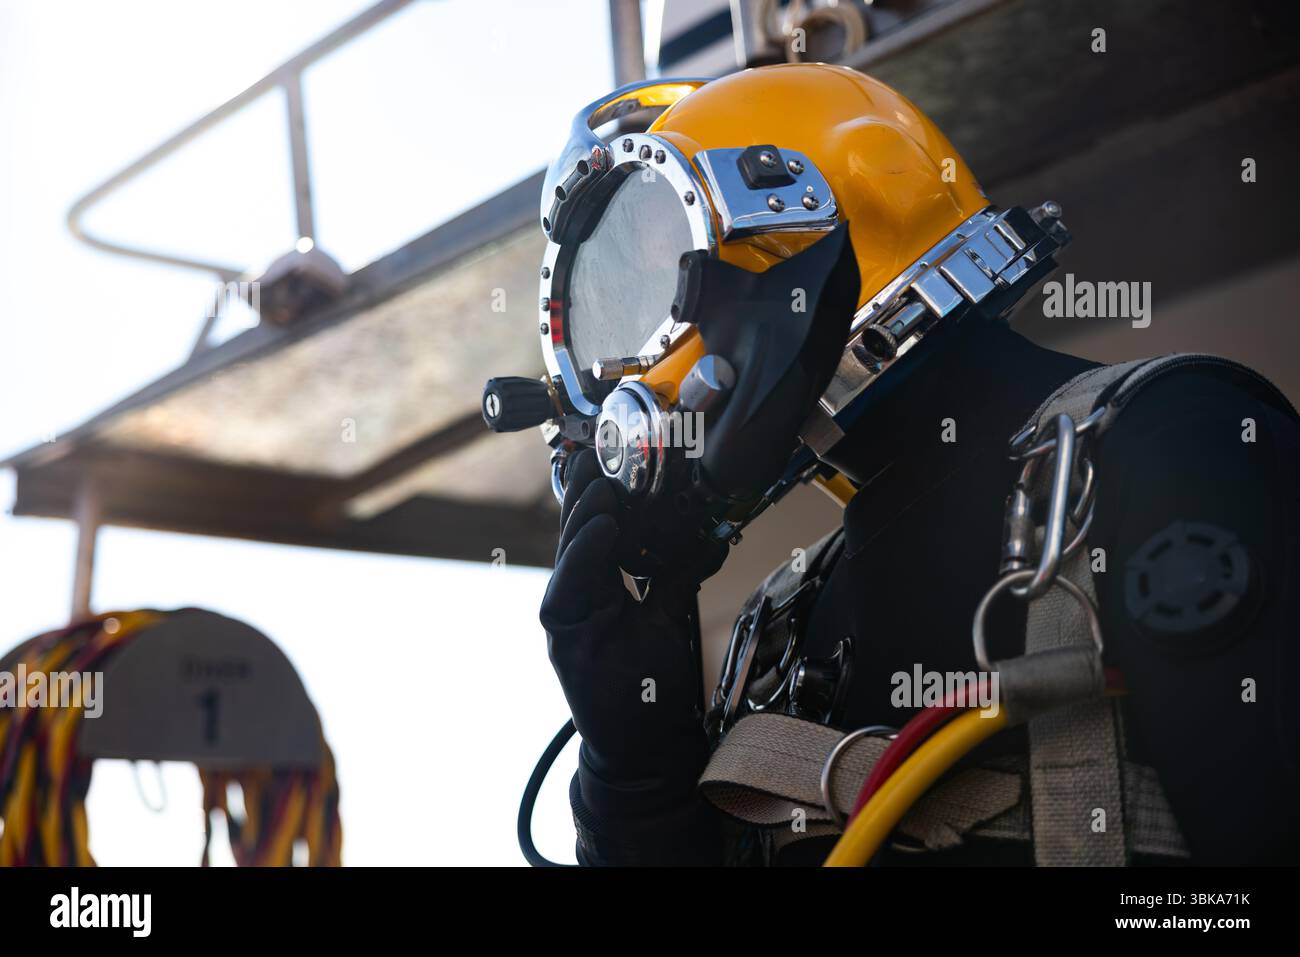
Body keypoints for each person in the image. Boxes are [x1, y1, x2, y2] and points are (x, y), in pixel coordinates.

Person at [486, 64, 1300, 866]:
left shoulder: (1168, 440)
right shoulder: (776, 630)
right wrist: (632, 775)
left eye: (658, 280)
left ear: (814, 212)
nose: (630, 383)